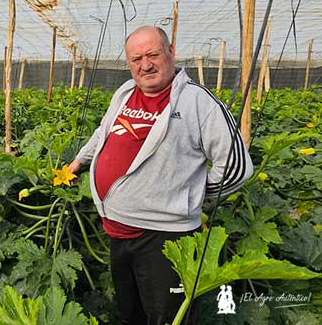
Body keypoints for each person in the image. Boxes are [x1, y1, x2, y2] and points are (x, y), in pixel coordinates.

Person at [68, 26, 252, 324]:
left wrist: (191, 196)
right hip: (117, 231)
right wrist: (78, 162)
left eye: (153, 54)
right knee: (131, 314)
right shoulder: (125, 92)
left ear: (170, 52)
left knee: (166, 318)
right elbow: (103, 133)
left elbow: (237, 167)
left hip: (164, 238)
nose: (145, 64)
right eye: (136, 58)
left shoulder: (197, 102)